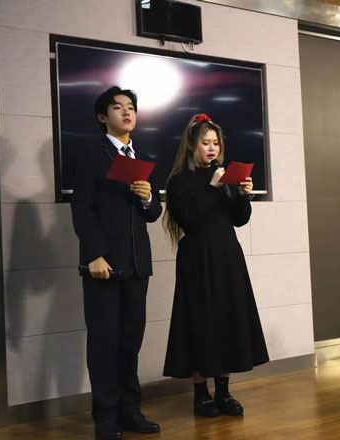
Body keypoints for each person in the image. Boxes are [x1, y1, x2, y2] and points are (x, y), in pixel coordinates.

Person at [163, 113, 269, 417]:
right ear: (191, 146)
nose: (212, 148)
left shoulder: (225, 177)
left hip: (227, 255)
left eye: (216, 143)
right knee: (200, 320)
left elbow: (239, 219)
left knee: (227, 318)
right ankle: (201, 394)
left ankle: (223, 391)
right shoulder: (179, 181)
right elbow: (190, 221)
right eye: (205, 143)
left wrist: (243, 196)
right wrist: (213, 187)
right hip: (197, 258)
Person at [71, 86, 162, 440]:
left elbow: (152, 214)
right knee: (103, 344)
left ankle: (130, 411)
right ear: (102, 116)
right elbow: (82, 209)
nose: (127, 113)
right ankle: (105, 417)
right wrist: (93, 254)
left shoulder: (141, 156)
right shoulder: (92, 154)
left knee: (129, 343)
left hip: (137, 265)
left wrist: (149, 197)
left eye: (131, 108)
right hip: (104, 265)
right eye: (118, 107)